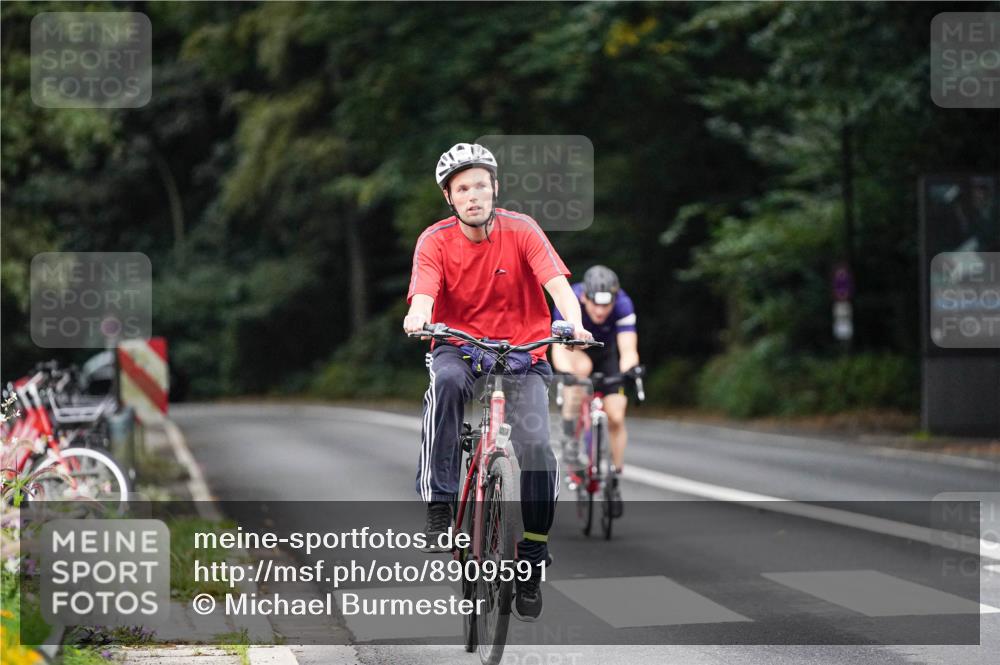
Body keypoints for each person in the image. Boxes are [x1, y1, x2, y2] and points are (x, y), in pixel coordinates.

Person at [403, 142, 592, 622]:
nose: (472, 195)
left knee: (536, 447)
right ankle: (440, 506)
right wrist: (418, 316)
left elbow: (558, 288)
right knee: (444, 387)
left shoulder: (522, 230)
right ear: (449, 197)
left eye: (480, 185)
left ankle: (532, 551)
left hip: (524, 353)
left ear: (495, 188)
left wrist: (575, 324)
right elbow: (424, 294)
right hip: (459, 347)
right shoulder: (435, 241)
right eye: (462, 188)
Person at [550, 265, 639, 517]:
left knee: (617, 414)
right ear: (584, 297)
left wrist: (630, 370)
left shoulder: (623, 304)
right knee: (578, 378)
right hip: (576, 351)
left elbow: (628, 347)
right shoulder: (570, 300)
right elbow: (558, 347)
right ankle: (569, 434)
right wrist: (565, 372)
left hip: (608, 353)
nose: (600, 311)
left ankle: (614, 478)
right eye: (595, 305)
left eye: (606, 305)